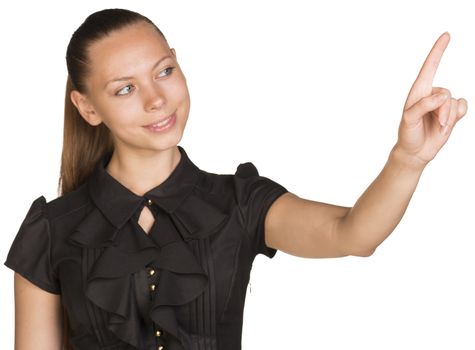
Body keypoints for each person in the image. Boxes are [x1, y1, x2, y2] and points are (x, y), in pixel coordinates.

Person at [3, 7, 467, 350]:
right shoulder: (50, 231)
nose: (157, 99)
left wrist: (408, 158)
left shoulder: (239, 203)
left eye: (164, 71)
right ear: (87, 107)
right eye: (125, 88)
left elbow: (353, 234)